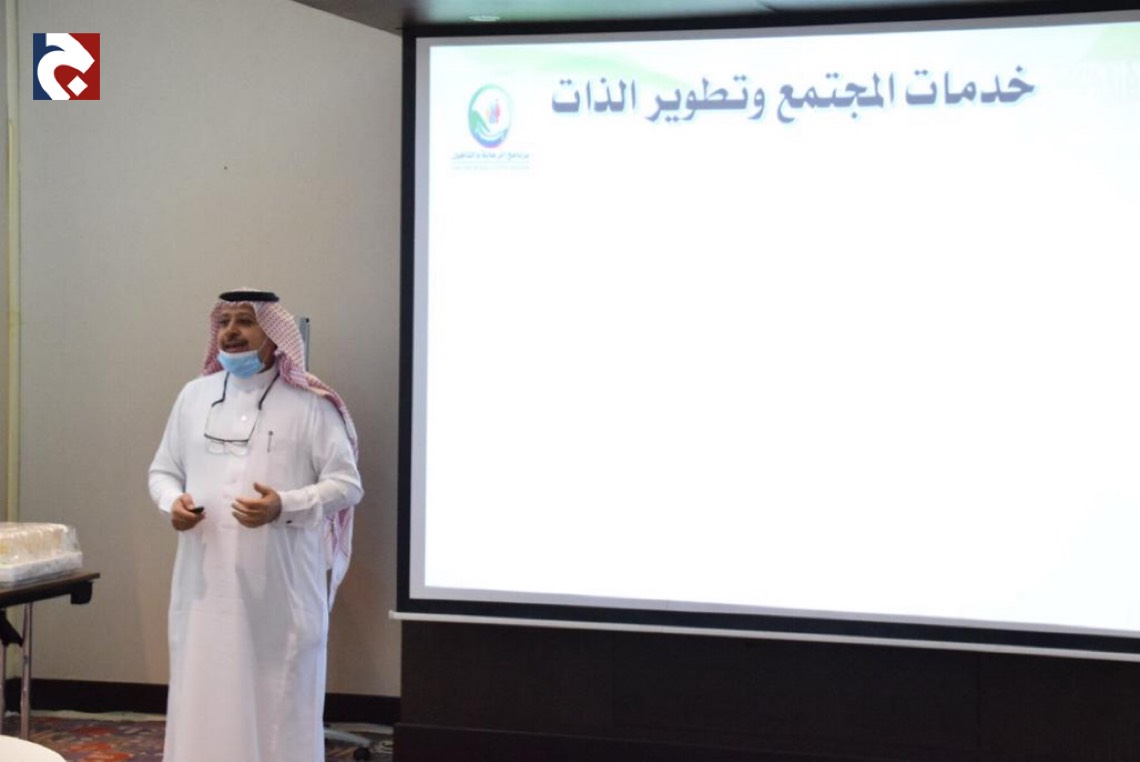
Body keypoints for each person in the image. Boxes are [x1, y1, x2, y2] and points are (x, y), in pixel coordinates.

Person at [148, 289, 363, 762]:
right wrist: (170, 503)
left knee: (277, 700)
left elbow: (347, 485)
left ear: (274, 333)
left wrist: (284, 505)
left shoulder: (310, 404)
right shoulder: (194, 396)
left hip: (279, 593)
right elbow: (162, 471)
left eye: (245, 321)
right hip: (204, 589)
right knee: (203, 692)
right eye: (224, 321)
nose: (231, 332)